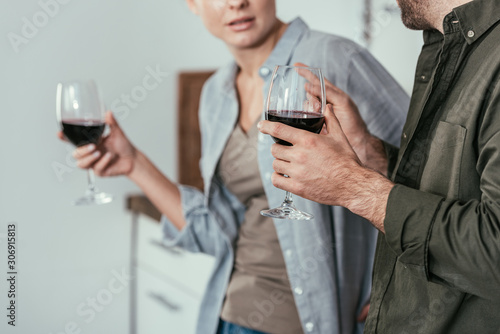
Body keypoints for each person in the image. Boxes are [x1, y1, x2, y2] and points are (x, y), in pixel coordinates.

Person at [60, 0, 408, 333]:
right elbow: (216, 234)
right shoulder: (216, 93)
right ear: (193, 3)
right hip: (229, 316)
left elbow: (430, 171)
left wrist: (403, 289)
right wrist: (133, 163)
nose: (235, 2)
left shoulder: (333, 58)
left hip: (318, 319)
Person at [258, 0, 500, 332]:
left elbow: (493, 248)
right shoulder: (444, 44)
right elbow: (452, 188)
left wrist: (355, 187)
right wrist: (370, 153)